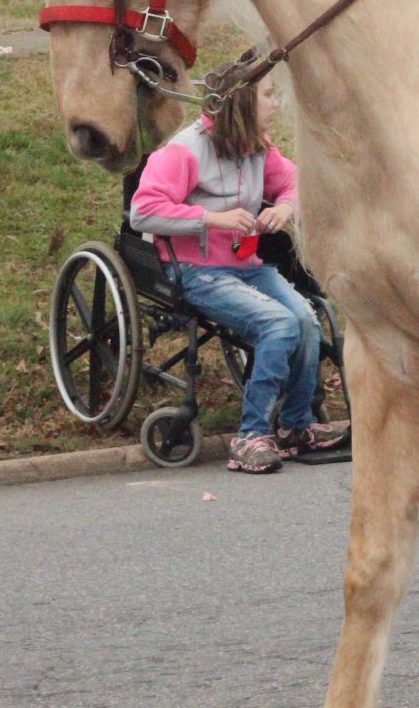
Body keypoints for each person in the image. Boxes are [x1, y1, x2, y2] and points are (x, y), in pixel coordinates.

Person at [129, 57, 348, 473]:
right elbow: (143, 212)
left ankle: (295, 426)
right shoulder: (184, 151)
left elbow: (295, 182)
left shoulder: (256, 147)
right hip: (195, 270)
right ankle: (250, 436)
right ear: (244, 102)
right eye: (268, 95)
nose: (276, 104)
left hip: (246, 263)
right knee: (278, 325)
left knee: (305, 320)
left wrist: (285, 208)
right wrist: (212, 219)